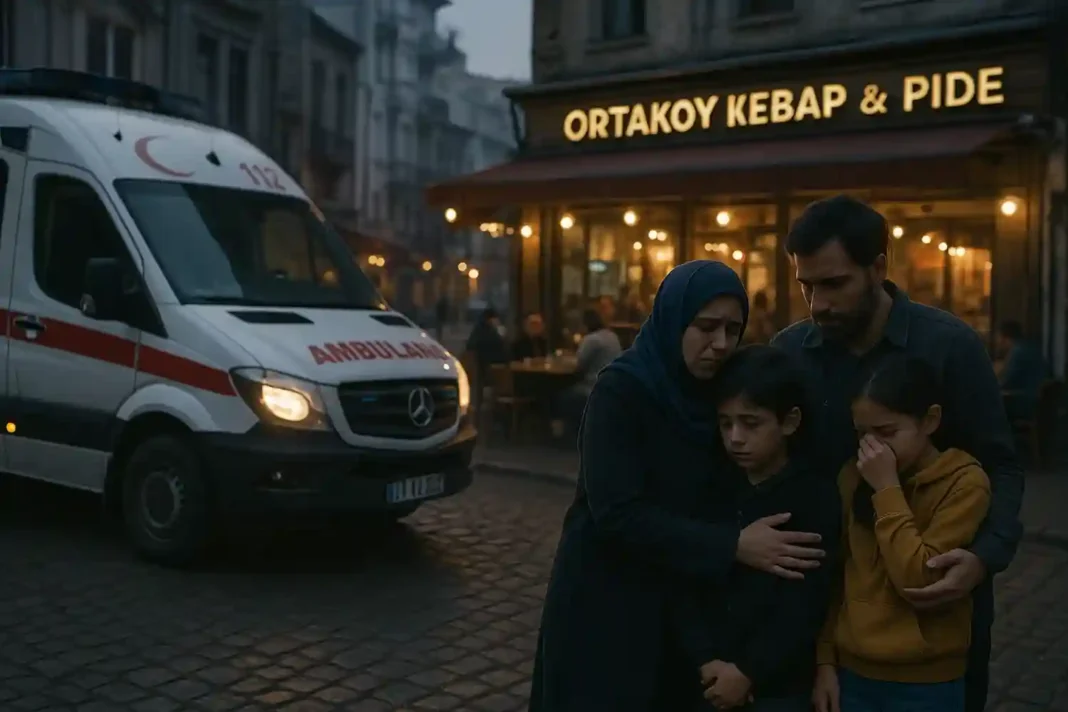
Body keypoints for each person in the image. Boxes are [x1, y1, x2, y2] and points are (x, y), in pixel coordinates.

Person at [529, 261, 826, 712]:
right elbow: (617, 511)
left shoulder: (714, 390)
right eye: (706, 327)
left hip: (682, 603)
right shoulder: (622, 391)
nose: (721, 343)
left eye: (733, 328)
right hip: (609, 597)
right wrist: (731, 545)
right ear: (674, 319)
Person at [771, 195, 1023, 712]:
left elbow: (1000, 463)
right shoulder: (791, 352)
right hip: (822, 603)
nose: (818, 304)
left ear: (878, 267)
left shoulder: (949, 346)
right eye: (806, 285)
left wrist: (983, 557)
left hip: (931, 617)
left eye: (834, 283)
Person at [812, 354, 991, 712]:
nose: (872, 448)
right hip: (853, 672)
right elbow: (837, 577)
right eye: (862, 433)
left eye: (887, 433)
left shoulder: (964, 482)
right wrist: (825, 662)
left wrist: (886, 489)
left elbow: (920, 578)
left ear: (930, 420)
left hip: (926, 681)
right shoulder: (851, 476)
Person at [675, 345, 840, 712]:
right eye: (725, 423)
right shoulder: (713, 487)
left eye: (751, 423)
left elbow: (805, 603)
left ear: (789, 422)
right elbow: (686, 579)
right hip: (707, 676)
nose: (735, 437)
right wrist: (705, 660)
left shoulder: (814, 497)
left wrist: (749, 671)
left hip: (778, 688)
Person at [551, 308, 623, 437]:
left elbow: (579, 365)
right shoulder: (612, 336)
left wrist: (563, 360)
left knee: (563, 397)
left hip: (594, 386)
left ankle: (571, 433)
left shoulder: (592, 339)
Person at [995, 319, 1049, 422]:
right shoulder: (1029, 347)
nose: (997, 341)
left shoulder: (1017, 352)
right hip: (1038, 402)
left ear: (1004, 338)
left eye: (998, 337)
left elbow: (1007, 382)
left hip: (1025, 403)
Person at [464, 307, 508, 413]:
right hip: (489, 368)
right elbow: (502, 347)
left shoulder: (479, 330)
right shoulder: (491, 332)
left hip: (482, 368)